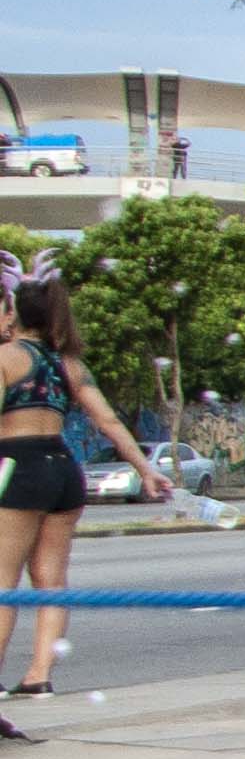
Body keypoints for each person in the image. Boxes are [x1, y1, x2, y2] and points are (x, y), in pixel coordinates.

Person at [2, 271, 166, 701]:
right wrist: (145, 470)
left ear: (14, 313)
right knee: (52, 581)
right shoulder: (70, 365)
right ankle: (39, 676)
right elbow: (108, 421)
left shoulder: (6, 358)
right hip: (63, 469)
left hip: (17, 466)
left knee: (2, 582)